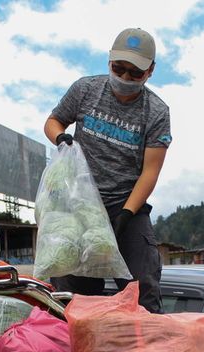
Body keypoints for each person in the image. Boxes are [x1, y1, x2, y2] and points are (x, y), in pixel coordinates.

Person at [43, 27, 172, 313]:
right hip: (79, 205)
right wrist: (61, 138)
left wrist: (126, 213)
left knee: (143, 288)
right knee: (70, 291)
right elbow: (53, 121)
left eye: (135, 73)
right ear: (109, 61)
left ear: (150, 71)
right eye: (119, 68)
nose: (125, 78)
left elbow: (150, 171)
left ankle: (144, 346)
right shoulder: (85, 89)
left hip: (126, 207)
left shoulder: (157, 112)